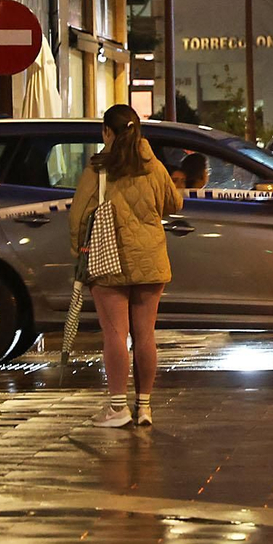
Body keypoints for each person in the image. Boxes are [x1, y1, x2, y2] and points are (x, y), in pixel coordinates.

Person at [68, 105, 184, 428]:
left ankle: (118, 407)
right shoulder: (154, 167)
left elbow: (79, 217)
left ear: (107, 132)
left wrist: (79, 251)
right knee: (145, 335)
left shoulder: (98, 170)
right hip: (150, 259)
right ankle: (144, 406)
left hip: (109, 260)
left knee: (116, 335)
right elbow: (174, 203)